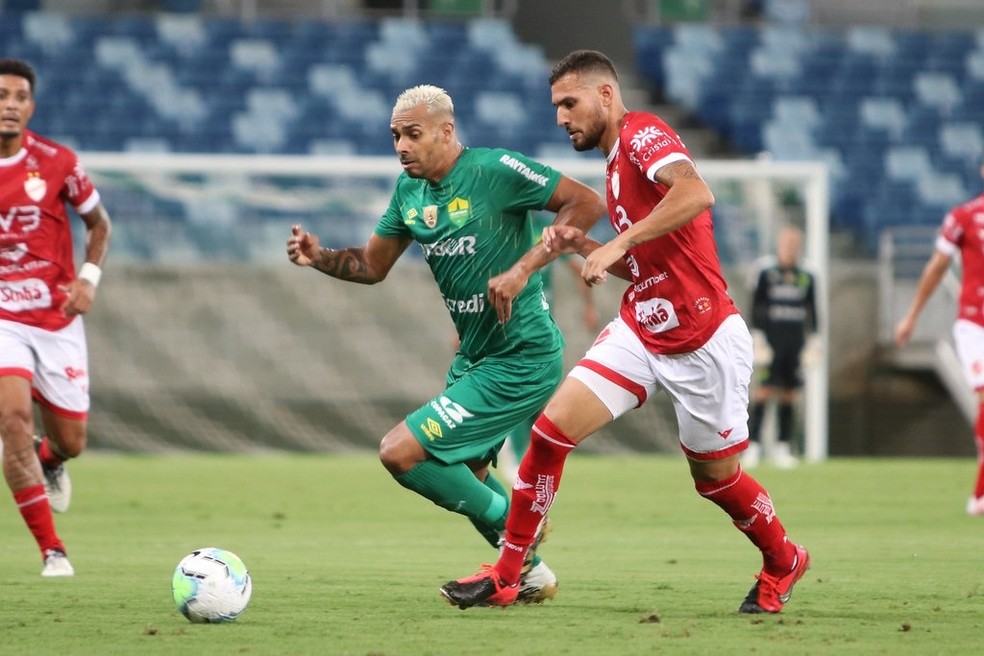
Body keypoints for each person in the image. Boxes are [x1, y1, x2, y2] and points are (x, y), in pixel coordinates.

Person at [440, 50, 809, 614]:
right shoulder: (614, 165)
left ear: (606, 96)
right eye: (556, 107)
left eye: (570, 103)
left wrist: (618, 239)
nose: (561, 117)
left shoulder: (643, 133)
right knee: (548, 434)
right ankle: (510, 573)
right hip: (642, 325)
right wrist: (586, 245)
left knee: (715, 479)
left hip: (704, 337)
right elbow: (641, 266)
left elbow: (695, 193)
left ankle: (783, 558)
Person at [286, 84, 606, 603]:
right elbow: (371, 265)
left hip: (522, 356)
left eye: (413, 134)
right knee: (468, 474)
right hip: (475, 358)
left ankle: (515, 524)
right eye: (395, 136)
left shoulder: (495, 169)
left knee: (401, 452)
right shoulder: (409, 193)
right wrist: (318, 256)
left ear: (446, 131)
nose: (402, 147)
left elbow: (586, 202)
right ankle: (530, 574)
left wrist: (525, 269)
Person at [0, 59, 112, 577]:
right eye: (2, 95)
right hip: (4, 319)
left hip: (57, 316)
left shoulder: (58, 162)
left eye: (19, 96)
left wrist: (88, 277)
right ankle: (53, 550)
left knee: (71, 441)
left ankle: (51, 460)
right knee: (13, 420)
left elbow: (98, 223)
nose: (10, 104)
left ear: (31, 107)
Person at [894, 153, 984, 516]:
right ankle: (980, 494)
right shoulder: (963, 217)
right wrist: (912, 316)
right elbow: (936, 267)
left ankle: (979, 492)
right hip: (974, 324)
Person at [496, 217, 599, 485]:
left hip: (543, 325)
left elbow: (577, 268)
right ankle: (516, 459)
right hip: (509, 324)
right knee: (521, 391)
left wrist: (589, 306)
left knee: (539, 394)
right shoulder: (500, 226)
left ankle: (523, 457)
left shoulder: (543, 230)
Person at [743, 225, 819, 469]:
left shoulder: (807, 275)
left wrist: (814, 340)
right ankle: (752, 446)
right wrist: (757, 337)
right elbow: (756, 305)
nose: (789, 249)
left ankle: (783, 446)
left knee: (790, 394)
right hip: (770, 342)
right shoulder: (766, 271)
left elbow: (813, 309)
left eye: (794, 244)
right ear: (778, 245)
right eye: (786, 244)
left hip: (795, 343)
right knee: (763, 392)